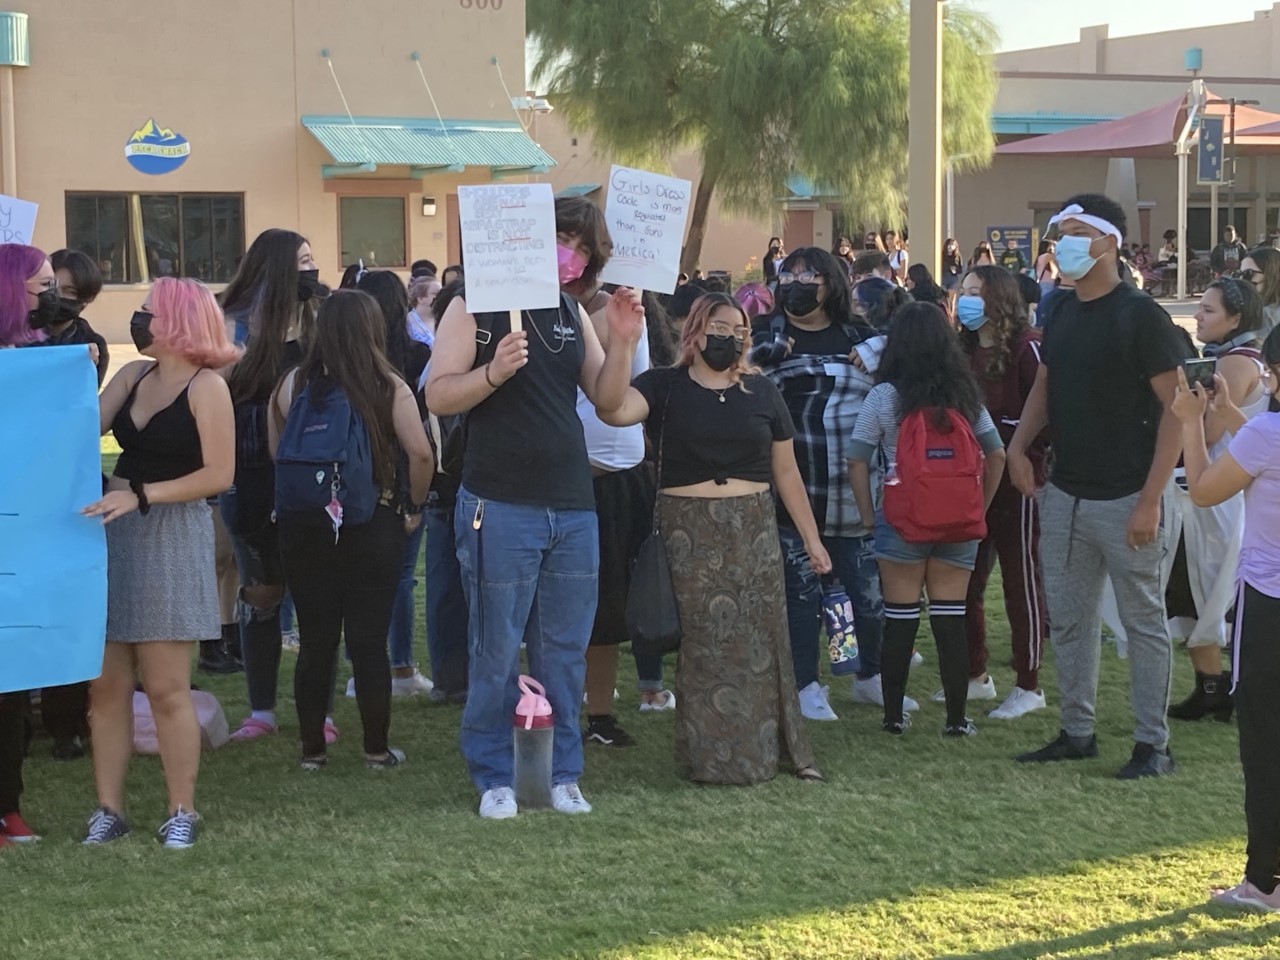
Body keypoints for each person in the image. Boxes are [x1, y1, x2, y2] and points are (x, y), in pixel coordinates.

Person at [424, 196, 645, 819]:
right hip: (499, 503)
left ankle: (562, 772)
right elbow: (438, 396)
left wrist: (624, 341)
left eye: (578, 245)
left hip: (573, 506)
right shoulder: (472, 306)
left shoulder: (572, 311)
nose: (568, 253)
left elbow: (606, 399)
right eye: (561, 238)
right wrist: (492, 373)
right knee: (494, 646)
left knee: (564, 649)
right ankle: (495, 772)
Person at [601, 292, 828, 783]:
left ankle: (765, 753)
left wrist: (812, 539)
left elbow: (786, 472)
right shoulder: (664, 386)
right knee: (704, 648)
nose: (731, 338)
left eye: (739, 330)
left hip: (752, 529)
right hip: (689, 533)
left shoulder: (762, 392)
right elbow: (612, 409)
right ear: (696, 332)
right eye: (721, 328)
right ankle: (711, 759)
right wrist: (622, 342)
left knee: (758, 645)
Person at [1008, 194, 1190, 779]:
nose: (1060, 242)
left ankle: (1152, 745)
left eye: (1075, 231)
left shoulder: (1141, 316)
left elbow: (1178, 411)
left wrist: (1151, 498)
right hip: (1065, 491)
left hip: (1127, 496)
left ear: (1108, 241)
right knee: (1069, 617)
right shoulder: (1058, 308)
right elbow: (1047, 382)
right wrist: (1017, 447)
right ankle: (1077, 731)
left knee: (1142, 623)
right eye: (1057, 232)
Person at [82, 277, 239, 848]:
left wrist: (142, 494)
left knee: (167, 686)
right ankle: (108, 809)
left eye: (147, 311)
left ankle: (181, 810)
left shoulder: (207, 388)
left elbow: (219, 475)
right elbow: (80, 429)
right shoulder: (132, 376)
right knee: (106, 686)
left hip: (170, 535)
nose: (138, 320)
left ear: (174, 321)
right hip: (113, 531)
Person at [269, 290, 434, 771]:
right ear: (372, 330)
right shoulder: (386, 385)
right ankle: (376, 749)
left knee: (316, 638)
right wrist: (414, 505)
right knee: (368, 639)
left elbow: (278, 454)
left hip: (303, 525)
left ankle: (312, 751)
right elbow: (421, 454)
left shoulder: (292, 383)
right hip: (369, 521)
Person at [752, 248, 899, 722]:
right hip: (793, 491)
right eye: (788, 274)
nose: (796, 282)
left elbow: (908, 371)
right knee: (800, 595)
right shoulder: (765, 337)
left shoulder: (864, 339)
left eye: (809, 274)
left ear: (831, 282)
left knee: (868, 599)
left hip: (854, 495)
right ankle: (806, 684)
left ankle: (867, 675)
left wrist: (880, 350)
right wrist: (760, 359)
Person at [848, 302, 1006, 737]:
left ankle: (894, 715)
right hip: (959, 523)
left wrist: (868, 516)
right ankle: (957, 718)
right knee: (950, 617)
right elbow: (997, 454)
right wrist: (980, 507)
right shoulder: (966, 396)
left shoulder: (884, 397)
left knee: (900, 619)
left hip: (900, 519)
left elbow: (857, 459)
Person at [1172, 327, 1280, 912]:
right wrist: (1234, 413)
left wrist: (1193, 422)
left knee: (1265, 744)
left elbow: (1207, 490)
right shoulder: (1262, 432)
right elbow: (1264, 445)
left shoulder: (1266, 433)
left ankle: (1263, 881)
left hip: (1269, 606)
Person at [220, 229, 330, 742]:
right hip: (251, 474)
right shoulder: (234, 323)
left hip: (315, 472)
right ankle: (261, 708)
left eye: (314, 260)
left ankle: (319, 709)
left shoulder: (320, 317)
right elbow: (217, 385)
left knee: (315, 594)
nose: (312, 270)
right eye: (302, 261)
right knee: (261, 590)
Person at [1166, 279, 1268, 721]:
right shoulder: (1244, 357)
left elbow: (1208, 432)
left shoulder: (1234, 363)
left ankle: (1221, 686)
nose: (1199, 316)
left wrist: (1186, 408)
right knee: (1200, 588)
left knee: (1207, 587)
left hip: (1222, 490)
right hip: (1230, 487)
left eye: (1208, 310)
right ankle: (1212, 686)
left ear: (1235, 318)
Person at [955, 266, 1049, 720]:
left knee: (1020, 579)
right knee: (964, 581)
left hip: (1016, 483)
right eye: (964, 291)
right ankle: (975, 675)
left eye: (977, 292)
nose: (967, 299)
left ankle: (1028, 683)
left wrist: (1017, 451)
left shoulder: (1027, 347)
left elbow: (1046, 413)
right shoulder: (963, 349)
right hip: (967, 484)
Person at [572, 275, 657, 745]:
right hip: (563, 480)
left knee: (608, 608)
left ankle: (600, 715)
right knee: (561, 608)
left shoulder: (624, 312)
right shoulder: (547, 314)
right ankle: (546, 706)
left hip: (621, 480)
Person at [0, 244, 65, 847]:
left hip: (22, 540)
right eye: (42, 284)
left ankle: (8, 807)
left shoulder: (39, 359)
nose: (52, 293)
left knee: (12, 682)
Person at [356, 270, 434, 698]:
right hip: (402, 477)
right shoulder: (417, 356)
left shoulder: (346, 362)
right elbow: (425, 434)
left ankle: (360, 667)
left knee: (358, 579)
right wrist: (416, 500)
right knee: (402, 577)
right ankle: (400, 666)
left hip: (354, 480)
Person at [418, 280, 471, 704]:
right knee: (456, 590)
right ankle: (455, 679)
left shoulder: (430, 367)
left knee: (446, 590)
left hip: (444, 491)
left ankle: (450, 679)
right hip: (460, 487)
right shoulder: (446, 375)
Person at [48, 249, 108, 386]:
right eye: (50, 287)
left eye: (69, 291)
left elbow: (84, 399)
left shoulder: (93, 344)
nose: (57, 296)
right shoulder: (13, 334)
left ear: (86, 299)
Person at [1239, 246, 1280, 336]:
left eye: (1248, 274)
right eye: (1239, 274)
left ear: (1271, 274)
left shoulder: (1264, 316)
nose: (1241, 280)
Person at [407, 274, 442, 348]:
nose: (441, 297)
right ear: (420, 298)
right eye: (436, 294)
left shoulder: (444, 319)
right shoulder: (407, 323)